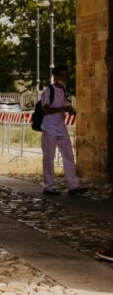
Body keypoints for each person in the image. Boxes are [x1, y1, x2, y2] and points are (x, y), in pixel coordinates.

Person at [40, 65, 87, 196]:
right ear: (55, 76)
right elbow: (46, 110)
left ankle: (73, 186)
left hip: (61, 128)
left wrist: (70, 109)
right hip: (49, 128)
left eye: (65, 75)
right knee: (49, 158)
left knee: (69, 156)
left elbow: (64, 104)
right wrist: (62, 109)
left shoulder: (64, 90)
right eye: (61, 75)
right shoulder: (48, 91)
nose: (64, 78)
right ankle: (49, 187)